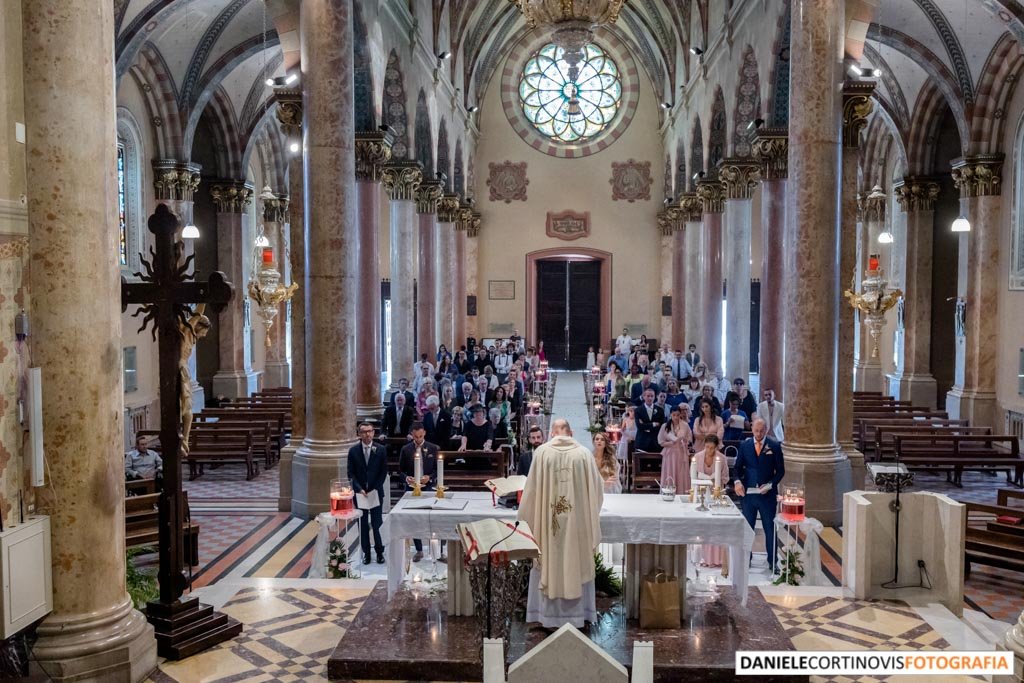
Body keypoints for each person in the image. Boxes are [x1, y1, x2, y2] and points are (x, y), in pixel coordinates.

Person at [519, 418, 604, 629]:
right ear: (571, 432)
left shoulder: (542, 453)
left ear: (551, 434)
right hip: (576, 525)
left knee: (549, 560)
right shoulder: (584, 454)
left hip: (548, 524)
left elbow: (529, 493)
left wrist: (527, 518)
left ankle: (546, 616)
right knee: (575, 561)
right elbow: (597, 491)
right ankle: (578, 615)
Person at [734, 419, 786, 572]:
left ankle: (772, 561)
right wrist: (737, 482)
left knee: (769, 528)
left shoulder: (774, 446)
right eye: (756, 431)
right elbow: (737, 469)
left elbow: (781, 471)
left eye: (761, 431)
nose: (758, 434)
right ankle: (746, 558)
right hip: (748, 495)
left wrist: (770, 485)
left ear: (766, 429)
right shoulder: (745, 445)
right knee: (748, 527)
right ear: (752, 429)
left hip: (767, 495)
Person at [400, 423, 445, 562]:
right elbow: (401, 470)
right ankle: (419, 549)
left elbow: (438, 470)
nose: (418, 439)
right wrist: (407, 478)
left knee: (436, 519)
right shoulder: (406, 449)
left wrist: (429, 477)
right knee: (415, 519)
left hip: (430, 487)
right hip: (412, 488)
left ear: (424, 433)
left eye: (420, 436)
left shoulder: (433, 448)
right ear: (412, 435)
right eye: (415, 437)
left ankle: (440, 551)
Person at [348, 423, 388, 564]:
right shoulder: (353, 451)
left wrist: (374, 488)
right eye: (364, 432)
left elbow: (383, 472)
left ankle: (379, 552)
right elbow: (351, 474)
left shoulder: (381, 449)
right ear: (359, 434)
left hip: (375, 492)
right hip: (360, 494)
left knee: (377, 523)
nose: (367, 434)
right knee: (363, 524)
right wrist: (359, 488)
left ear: (373, 432)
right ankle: (366, 553)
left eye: (370, 431)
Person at [691, 435, 729, 566]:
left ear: (716, 447)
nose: (709, 450)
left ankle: (716, 559)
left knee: (715, 525)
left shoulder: (722, 459)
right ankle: (702, 557)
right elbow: (693, 475)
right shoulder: (698, 457)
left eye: (712, 448)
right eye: (707, 447)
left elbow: (725, 478)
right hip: (701, 493)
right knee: (702, 525)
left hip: (715, 493)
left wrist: (714, 479)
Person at [657, 405, 692, 493]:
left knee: (681, 473)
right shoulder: (665, 426)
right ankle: (668, 492)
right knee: (670, 472)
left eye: (677, 415)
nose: (676, 417)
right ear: (670, 415)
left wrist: (685, 441)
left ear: (680, 414)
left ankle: (681, 492)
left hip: (681, 452)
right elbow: (660, 441)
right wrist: (670, 443)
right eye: (674, 415)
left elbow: (690, 438)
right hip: (670, 453)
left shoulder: (685, 425)